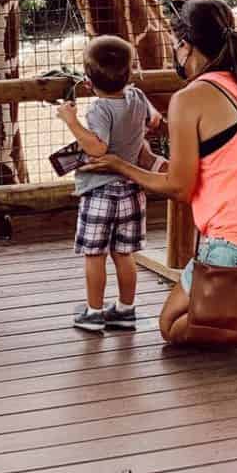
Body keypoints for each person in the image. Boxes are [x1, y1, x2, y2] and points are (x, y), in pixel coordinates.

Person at [80, 0, 237, 371]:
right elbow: (214, 168)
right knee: (192, 314)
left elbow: (179, 188)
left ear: (185, 45)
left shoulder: (190, 98)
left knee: (172, 326)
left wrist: (121, 165)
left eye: (175, 44)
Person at [58, 35, 163, 333]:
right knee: (124, 254)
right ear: (129, 74)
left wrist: (71, 120)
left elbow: (97, 148)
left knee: (95, 255)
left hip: (100, 192)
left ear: (88, 83)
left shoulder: (99, 109)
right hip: (132, 188)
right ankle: (125, 310)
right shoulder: (138, 97)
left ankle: (93, 312)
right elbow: (154, 120)